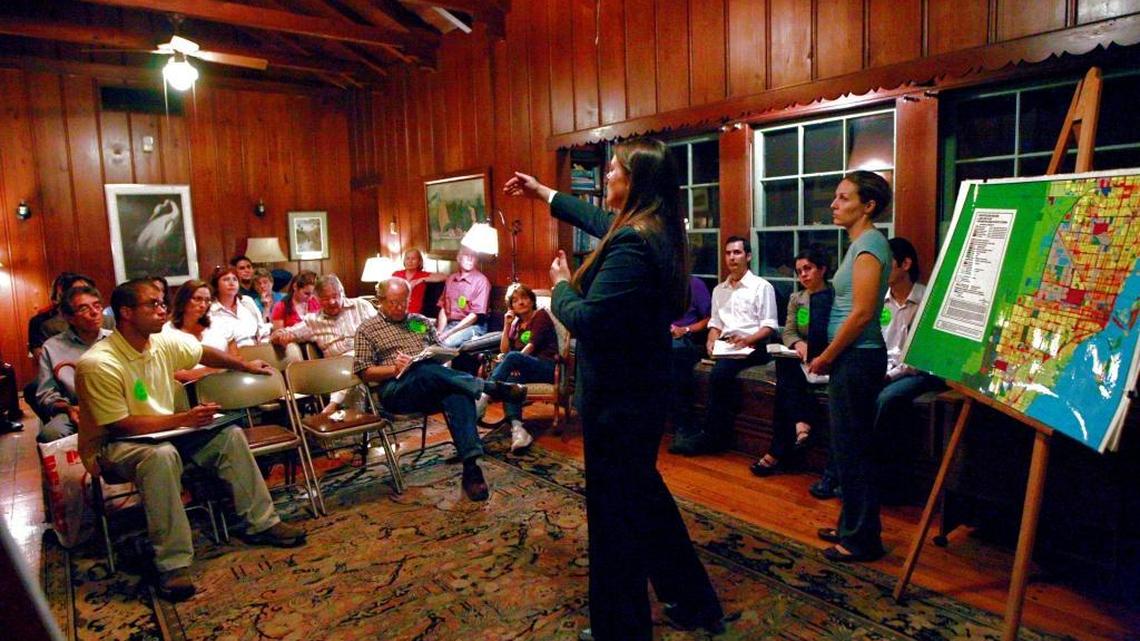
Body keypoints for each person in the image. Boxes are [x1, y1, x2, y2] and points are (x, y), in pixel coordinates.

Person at [504, 138, 723, 641]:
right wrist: (543, 193)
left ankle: (620, 628)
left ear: (636, 181)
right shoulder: (657, 228)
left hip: (618, 402)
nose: (606, 177)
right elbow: (594, 219)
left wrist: (559, 285)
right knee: (643, 498)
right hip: (642, 394)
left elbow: (590, 320)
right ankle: (693, 602)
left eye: (615, 170)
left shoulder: (633, 241)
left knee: (613, 516)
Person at [75, 279, 306, 602]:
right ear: (126, 313)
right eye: (152, 304)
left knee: (229, 436)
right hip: (113, 445)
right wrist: (182, 420)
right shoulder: (98, 363)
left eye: (162, 303)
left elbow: (203, 352)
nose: (162, 310)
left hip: (168, 432)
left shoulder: (160, 342)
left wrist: (245, 364)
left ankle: (261, 522)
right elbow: (119, 425)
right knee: (161, 457)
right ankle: (172, 563)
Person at [353, 278, 526, 501]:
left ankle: (471, 468)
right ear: (380, 302)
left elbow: (441, 350)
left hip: (430, 383)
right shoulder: (368, 329)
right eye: (394, 303)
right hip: (395, 389)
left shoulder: (418, 322)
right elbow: (363, 371)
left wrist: (441, 357)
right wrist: (393, 368)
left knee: (455, 390)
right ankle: (488, 387)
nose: (400, 308)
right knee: (425, 371)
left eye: (404, 302)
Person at [807, 170, 893, 563]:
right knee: (846, 447)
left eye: (843, 198)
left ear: (868, 205)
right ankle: (850, 525)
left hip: (858, 358)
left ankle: (862, 539)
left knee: (855, 448)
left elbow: (861, 315)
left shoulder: (870, 244)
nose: (833, 204)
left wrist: (827, 356)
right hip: (852, 358)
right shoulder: (859, 243)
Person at [671, 236, 779, 455]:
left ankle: (713, 437)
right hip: (727, 346)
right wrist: (711, 339)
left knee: (720, 373)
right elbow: (716, 323)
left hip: (754, 345)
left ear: (748, 256)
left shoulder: (761, 287)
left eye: (737, 253)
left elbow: (769, 326)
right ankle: (686, 427)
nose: (732, 257)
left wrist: (747, 339)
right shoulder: (720, 289)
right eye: (728, 253)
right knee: (681, 359)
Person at [750, 245, 834, 476]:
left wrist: (819, 352)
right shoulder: (797, 299)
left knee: (784, 390)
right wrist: (799, 345)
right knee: (783, 363)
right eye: (799, 271)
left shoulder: (835, 297)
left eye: (808, 269)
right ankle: (800, 424)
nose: (803, 275)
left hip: (826, 359)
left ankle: (778, 450)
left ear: (822, 269)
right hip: (800, 360)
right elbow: (788, 332)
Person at [875, 237, 944, 497]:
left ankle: (885, 481)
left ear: (905, 264)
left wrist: (888, 375)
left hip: (919, 370)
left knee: (887, 399)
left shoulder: (927, 299)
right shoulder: (879, 300)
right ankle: (844, 474)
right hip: (884, 367)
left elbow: (920, 356)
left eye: (887, 263)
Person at [272, 275, 377, 413]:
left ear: (342, 292)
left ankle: (332, 407)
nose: (332, 301)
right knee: (355, 378)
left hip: (371, 361)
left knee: (356, 357)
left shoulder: (361, 306)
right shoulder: (313, 321)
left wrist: (415, 327)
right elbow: (282, 334)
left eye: (335, 296)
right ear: (317, 299)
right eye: (326, 298)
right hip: (337, 371)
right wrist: (279, 336)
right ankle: (358, 421)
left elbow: (384, 326)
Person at [475, 284, 558, 452]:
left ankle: (484, 395)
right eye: (515, 300)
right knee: (511, 381)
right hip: (525, 369)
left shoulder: (541, 316)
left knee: (513, 358)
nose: (521, 302)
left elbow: (529, 348)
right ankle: (518, 429)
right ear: (511, 306)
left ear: (532, 300)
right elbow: (504, 348)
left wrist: (512, 359)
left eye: (525, 298)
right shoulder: (517, 323)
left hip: (546, 367)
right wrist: (506, 326)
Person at [34, 285, 112, 442]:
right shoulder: (53, 347)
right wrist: (69, 408)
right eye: (83, 309)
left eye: (97, 306)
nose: (94, 312)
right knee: (50, 434)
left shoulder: (116, 339)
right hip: (78, 408)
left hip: (117, 404)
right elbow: (45, 394)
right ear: (68, 317)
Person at [666, 276, 711, 448]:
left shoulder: (694, 284)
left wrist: (685, 329)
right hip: (658, 337)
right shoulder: (657, 282)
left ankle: (684, 427)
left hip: (687, 339)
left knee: (674, 354)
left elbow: (709, 319)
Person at [164, 280, 237, 384]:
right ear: (183, 300)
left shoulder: (218, 323)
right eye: (197, 299)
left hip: (226, 381)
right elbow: (170, 373)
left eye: (207, 300)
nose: (203, 305)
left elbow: (235, 355)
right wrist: (211, 371)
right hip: (189, 388)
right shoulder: (167, 332)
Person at [436, 245, 490, 347]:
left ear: (476, 260)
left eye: (473, 256)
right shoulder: (451, 279)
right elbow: (443, 308)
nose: (470, 259)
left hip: (473, 326)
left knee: (446, 343)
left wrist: (449, 333)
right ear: (459, 258)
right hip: (452, 324)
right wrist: (440, 331)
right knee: (433, 342)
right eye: (466, 255)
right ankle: (441, 363)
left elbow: (474, 316)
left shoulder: (481, 281)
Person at [209, 266, 269, 347]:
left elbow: (262, 330)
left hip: (257, 349)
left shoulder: (247, 301)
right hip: (230, 354)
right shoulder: (211, 310)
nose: (231, 283)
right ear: (216, 285)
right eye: (226, 279)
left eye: (235, 279)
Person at [392, 248, 446, 315]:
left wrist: (421, 280)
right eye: (407, 258)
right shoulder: (397, 274)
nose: (410, 261)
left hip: (414, 314)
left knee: (419, 325)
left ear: (419, 261)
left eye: (413, 259)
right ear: (404, 260)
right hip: (397, 311)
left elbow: (444, 277)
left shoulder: (422, 275)